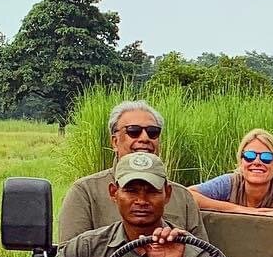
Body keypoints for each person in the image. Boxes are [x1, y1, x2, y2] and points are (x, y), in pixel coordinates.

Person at [16, 153, 221, 257]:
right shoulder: (90, 246)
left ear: (167, 195)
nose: (141, 200)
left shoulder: (192, 250)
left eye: (152, 191)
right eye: (131, 191)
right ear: (114, 193)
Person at [57, 101, 198, 243]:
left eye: (153, 132)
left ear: (167, 194)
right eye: (133, 131)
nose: (144, 138)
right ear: (114, 141)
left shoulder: (181, 196)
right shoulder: (86, 191)